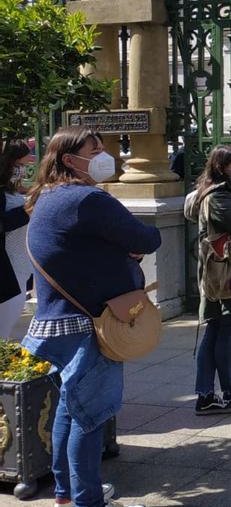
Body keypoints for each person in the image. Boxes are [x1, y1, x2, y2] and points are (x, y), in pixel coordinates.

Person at [22, 127, 160, 507]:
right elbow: (147, 239)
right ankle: (87, 500)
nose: (104, 154)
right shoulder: (87, 199)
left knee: (70, 408)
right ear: (69, 159)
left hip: (54, 322)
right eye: (94, 149)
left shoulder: (45, 198)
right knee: (92, 416)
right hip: (88, 325)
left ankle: (67, 493)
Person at [183, 145, 231, 415]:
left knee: (217, 331)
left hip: (222, 273)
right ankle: (222, 393)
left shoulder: (229, 192)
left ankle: (215, 393)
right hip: (224, 275)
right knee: (224, 332)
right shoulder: (218, 197)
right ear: (220, 167)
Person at [1, 140, 35, 338]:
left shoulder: (11, 190)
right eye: (18, 165)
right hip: (8, 271)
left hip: (20, 268)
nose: (21, 170)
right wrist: (27, 210)